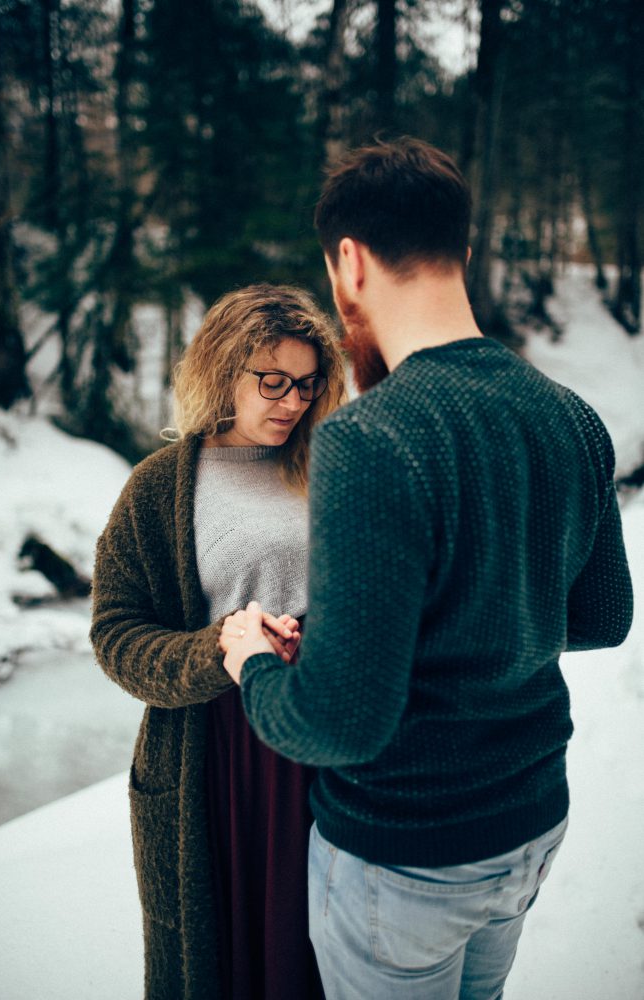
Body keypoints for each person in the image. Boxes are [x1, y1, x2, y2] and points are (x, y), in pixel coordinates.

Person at [219, 139, 634, 1000]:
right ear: (465, 253)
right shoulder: (571, 417)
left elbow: (337, 727)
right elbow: (600, 617)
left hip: (406, 852)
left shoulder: (370, 440)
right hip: (529, 824)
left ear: (348, 263)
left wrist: (250, 660)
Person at [90, 283, 346, 1000]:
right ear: (221, 370)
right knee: (225, 957)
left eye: (305, 383)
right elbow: (115, 634)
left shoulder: (333, 470)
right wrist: (217, 648)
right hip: (215, 761)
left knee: (324, 955)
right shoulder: (159, 487)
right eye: (271, 381)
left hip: (327, 744)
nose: (290, 401)